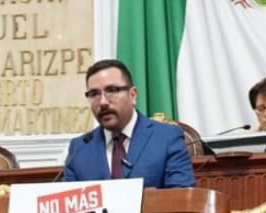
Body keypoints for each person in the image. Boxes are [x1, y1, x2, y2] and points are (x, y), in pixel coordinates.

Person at [61, 59, 195, 189]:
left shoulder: (167, 138)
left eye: (112, 90)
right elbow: (68, 205)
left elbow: (181, 198)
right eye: (94, 94)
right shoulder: (79, 149)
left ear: (133, 95)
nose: (102, 102)